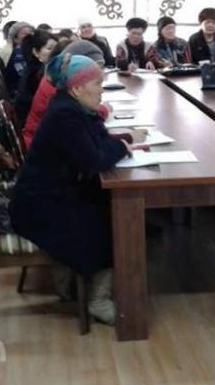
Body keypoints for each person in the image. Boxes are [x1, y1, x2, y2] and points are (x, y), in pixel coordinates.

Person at [8, 54, 131, 325]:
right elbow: (94, 160)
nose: (101, 90)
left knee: (107, 208)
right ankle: (98, 300)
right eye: (97, 84)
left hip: (54, 193)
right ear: (76, 89)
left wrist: (122, 143)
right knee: (110, 222)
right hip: (38, 206)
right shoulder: (65, 115)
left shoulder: (75, 108)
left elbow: (100, 143)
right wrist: (123, 147)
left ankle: (71, 282)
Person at [22, 40, 110, 150]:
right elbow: (85, 120)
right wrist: (104, 109)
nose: (99, 73)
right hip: (41, 148)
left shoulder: (58, 79)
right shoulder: (59, 89)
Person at [14, 29, 57, 126]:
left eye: (57, 48)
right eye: (50, 48)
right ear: (36, 52)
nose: (55, 52)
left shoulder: (33, 68)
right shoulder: (38, 74)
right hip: (34, 125)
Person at [0, 21, 35, 95]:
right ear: (15, 39)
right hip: (19, 92)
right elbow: (25, 77)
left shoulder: (27, 52)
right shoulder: (19, 54)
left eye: (31, 33)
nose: (30, 36)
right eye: (25, 34)